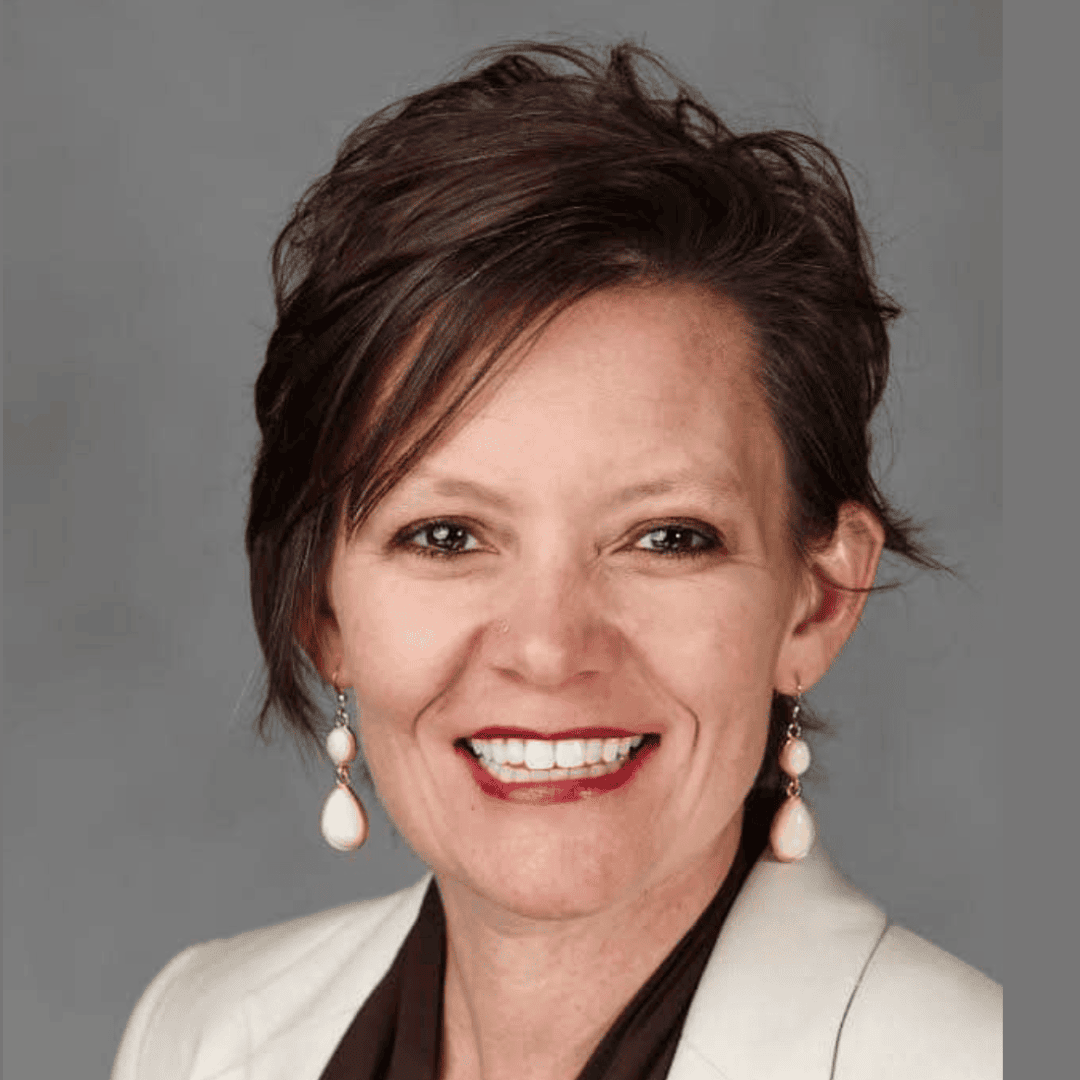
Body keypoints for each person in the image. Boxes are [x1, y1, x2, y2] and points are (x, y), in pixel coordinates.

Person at [110, 41, 1001, 1080]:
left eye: (667, 537)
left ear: (818, 601)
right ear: (324, 610)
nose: (548, 648)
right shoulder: (201, 1035)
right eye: (446, 536)